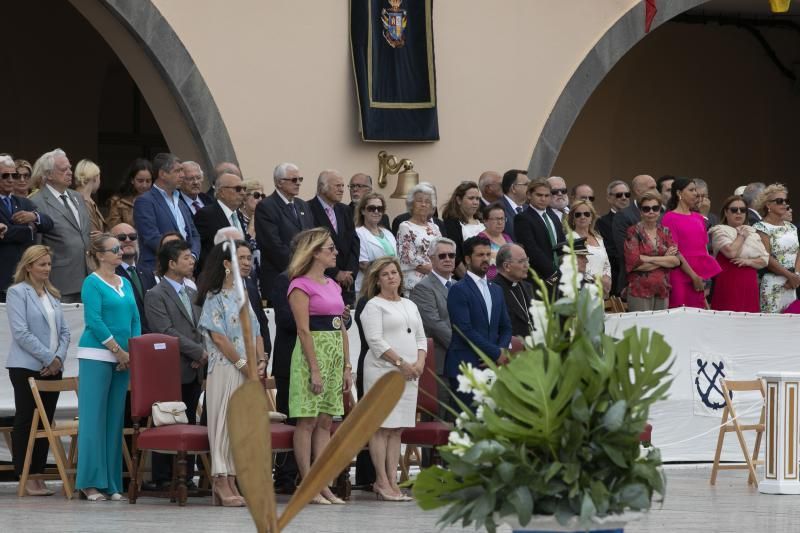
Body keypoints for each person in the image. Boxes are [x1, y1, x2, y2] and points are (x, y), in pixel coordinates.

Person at [196, 241, 265, 507]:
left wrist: (261, 360)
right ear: (227, 265)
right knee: (224, 424)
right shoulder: (215, 297)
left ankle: (234, 478)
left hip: (247, 370)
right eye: (242, 258)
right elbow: (220, 338)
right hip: (226, 369)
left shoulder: (244, 293)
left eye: (249, 258)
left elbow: (257, 330)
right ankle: (220, 479)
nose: (248, 263)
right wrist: (244, 367)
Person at [287, 228, 351, 505]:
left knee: (326, 420)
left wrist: (347, 365)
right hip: (312, 354)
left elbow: (342, 328)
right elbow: (303, 329)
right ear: (314, 252)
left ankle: (323, 483)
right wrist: (314, 368)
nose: (335, 252)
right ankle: (308, 484)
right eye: (330, 248)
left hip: (334, 353)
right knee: (308, 420)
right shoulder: (300, 285)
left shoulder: (333, 284)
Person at [76, 233, 141, 501]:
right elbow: (94, 320)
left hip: (124, 358)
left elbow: (135, 318)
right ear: (100, 255)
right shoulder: (91, 283)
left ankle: (112, 482)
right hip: (97, 355)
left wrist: (132, 352)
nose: (120, 251)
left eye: (120, 248)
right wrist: (117, 350)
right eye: (114, 249)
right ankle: (89, 482)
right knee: (93, 419)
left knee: (114, 420)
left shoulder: (125, 282)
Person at [6, 245, 70, 496]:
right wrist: (47, 358)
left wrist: (58, 358)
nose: (47, 269)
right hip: (27, 366)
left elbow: (64, 332)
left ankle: (39, 473)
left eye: (49, 264)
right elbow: (21, 332)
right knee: (27, 419)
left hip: (52, 367)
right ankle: (25, 473)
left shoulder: (53, 294)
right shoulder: (17, 292)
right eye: (42, 264)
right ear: (29, 266)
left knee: (45, 422)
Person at [361, 257, 426, 502]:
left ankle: (393, 480)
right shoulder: (374, 306)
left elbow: (420, 337)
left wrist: (419, 363)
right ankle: (381, 480)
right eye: (386, 274)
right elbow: (375, 341)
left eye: (394, 272)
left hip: (410, 374)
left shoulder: (410, 304)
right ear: (377, 280)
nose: (392, 277)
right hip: (384, 371)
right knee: (381, 427)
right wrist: (401, 363)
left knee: (396, 428)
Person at [143, 239, 205, 490]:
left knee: (189, 418)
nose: (192, 261)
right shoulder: (155, 295)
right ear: (171, 263)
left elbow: (200, 327)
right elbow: (165, 331)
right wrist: (197, 351)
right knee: (168, 419)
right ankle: (163, 476)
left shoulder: (192, 292)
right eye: (186, 258)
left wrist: (199, 354)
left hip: (194, 367)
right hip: (170, 369)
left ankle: (187, 475)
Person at [445, 236, 512, 410]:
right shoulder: (458, 290)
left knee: (492, 422)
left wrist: (501, 350)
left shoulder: (496, 289)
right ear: (467, 259)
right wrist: (495, 353)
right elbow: (464, 329)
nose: (485, 259)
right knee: (470, 424)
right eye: (480, 255)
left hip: (492, 366)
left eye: (488, 254)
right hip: (466, 366)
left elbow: (506, 326)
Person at [30, 149, 91, 303]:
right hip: (59, 282)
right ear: (49, 174)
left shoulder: (77, 196)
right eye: (64, 169)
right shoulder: (36, 202)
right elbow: (36, 247)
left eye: (70, 168)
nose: (70, 172)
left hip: (88, 278)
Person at [255, 162, 315, 302]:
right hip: (280, 279)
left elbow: (312, 238)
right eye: (294, 180)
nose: (298, 183)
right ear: (279, 182)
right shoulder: (266, 207)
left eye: (300, 179)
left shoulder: (303, 205)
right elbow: (273, 246)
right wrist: (301, 266)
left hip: (306, 278)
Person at [133, 153, 201, 271]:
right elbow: (151, 237)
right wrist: (181, 257)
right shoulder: (145, 201)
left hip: (185, 269)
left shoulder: (180, 202)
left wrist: (192, 256)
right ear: (162, 174)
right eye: (178, 171)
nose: (182, 175)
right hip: (159, 269)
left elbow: (194, 234)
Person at [661, 178, 721, 308]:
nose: (696, 193)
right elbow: (674, 250)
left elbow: (704, 249)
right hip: (680, 274)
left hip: (700, 275)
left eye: (696, 190)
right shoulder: (669, 218)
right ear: (679, 193)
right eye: (691, 190)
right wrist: (693, 276)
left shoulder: (698, 217)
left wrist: (704, 279)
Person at [0, 155, 53, 302]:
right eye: (5, 175)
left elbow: (49, 224)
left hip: (26, 278)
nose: (11, 179)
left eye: (14, 175)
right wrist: (29, 230)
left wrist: (34, 217)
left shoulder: (23, 202)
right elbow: (7, 234)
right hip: (3, 278)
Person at [409, 237, 456, 392]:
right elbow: (435, 325)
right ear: (431, 258)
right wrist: (464, 349)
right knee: (443, 414)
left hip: (464, 362)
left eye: (451, 255)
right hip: (441, 363)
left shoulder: (459, 286)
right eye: (442, 256)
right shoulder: (423, 288)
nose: (448, 259)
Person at [308, 170, 360, 306]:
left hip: (347, 284)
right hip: (322, 281)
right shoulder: (308, 209)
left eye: (343, 186)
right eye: (337, 186)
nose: (342, 190)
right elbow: (312, 247)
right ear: (322, 187)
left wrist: (350, 274)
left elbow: (354, 243)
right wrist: (335, 273)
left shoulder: (345, 210)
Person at [708, 196, 768, 312]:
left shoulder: (753, 233)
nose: (739, 212)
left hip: (749, 283)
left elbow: (765, 259)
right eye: (734, 210)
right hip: (729, 283)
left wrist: (748, 261)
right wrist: (742, 236)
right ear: (726, 212)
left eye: (743, 210)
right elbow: (731, 252)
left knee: (749, 323)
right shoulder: (719, 230)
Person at [623, 192, 680, 311]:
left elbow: (675, 261)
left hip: (662, 289)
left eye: (655, 208)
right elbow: (634, 263)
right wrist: (664, 258)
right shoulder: (633, 231)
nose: (651, 211)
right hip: (639, 290)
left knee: (660, 328)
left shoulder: (665, 231)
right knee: (642, 328)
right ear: (640, 211)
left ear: (660, 210)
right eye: (646, 208)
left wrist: (647, 258)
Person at [753, 184, 800, 313]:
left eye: (786, 201)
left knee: (791, 322)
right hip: (773, 282)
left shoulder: (791, 227)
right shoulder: (761, 227)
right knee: (771, 325)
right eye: (779, 201)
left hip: (792, 284)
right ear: (768, 205)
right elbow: (766, 257)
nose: (784, 204)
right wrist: (789, 276)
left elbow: (798, 253)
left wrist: (796, 276)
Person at [612, 174, 658, 294]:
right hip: (634, 285)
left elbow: (673, 254)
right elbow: (627, 255)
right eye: (652, 187)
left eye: (656, 187)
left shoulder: (660, 215)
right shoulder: (623, 216)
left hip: (661, 284)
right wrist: (663, 261)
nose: (656, 191)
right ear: (638, 190)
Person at [514, 178, 565, 286]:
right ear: (529, 195)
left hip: (559, 277)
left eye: (547, 196)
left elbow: (562, 245)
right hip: (538, 277)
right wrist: (554, 272)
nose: (543, 199)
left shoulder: (554, 217)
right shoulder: (523, 218)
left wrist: (563, 270)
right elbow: (531, 250)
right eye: (539, 195)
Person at [194, 171, 247, 270]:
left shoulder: (238, 214)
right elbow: (201, 250)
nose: (243, 193)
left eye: (244, 189)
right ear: (222, 192)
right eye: (238, 189)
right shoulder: (206, 215)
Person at [397, 183, 442, 296]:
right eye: (419, 201)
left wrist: (440, 268)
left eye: (427, 201)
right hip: (415, 283)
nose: (423, 204)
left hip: (437, 280)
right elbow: (407, 256)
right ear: (411, 204)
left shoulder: (435, 227)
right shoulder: (405, 226)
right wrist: (433, 269)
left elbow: (442, 250)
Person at [565, 200, 611, 297]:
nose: (582, 217)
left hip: (600, 291)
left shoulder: (598, 238)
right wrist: (598, 280)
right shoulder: (571, 238)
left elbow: (606, 263)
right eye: (578, 214)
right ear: (573, 219)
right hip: (582, 289)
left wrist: (607, 278)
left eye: (586, 214)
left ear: (591, 218)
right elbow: (579, 266)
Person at [355, 192, 397, 294]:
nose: (376, 211)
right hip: (370, 288)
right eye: (371, 208)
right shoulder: (358, 233)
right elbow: (363, 264)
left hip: (390, 287)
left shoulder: (388, 233)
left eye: (380, 208)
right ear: (363, 211)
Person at [442, 181, 486, 278]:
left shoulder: (483, 221)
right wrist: (469, 281)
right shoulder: (451, 223)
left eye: (477, 199)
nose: (475, 202)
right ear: (459, 200)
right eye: (471, 198)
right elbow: (455, 257)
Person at [493, 243, 535, 338]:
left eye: (527, 260)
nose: (527, 265)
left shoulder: (528, 287)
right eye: (521, 261)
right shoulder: (492, 291)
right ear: (507, 266)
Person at [596, 180, 630, 296]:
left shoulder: (638, 220)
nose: (624, 198)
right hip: (616, 278)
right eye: (619, 195)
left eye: (627, 194)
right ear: (609, 198)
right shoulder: (601, 222)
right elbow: (609, 251)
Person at [106, 158, 153, 228]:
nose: (144, 185)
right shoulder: (118, 202)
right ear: (132, 180)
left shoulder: (158, 200)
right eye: (140, 181)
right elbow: (114, 229)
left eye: (148, 181)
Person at [477, 202, 513, 280]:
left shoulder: (507, 237)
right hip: (492, 281)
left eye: (502, 219)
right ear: (485, 221)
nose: (500, 222)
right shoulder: (480, 239)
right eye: (496, 219)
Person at [73, 159, 106, 235]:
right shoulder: (83, 202)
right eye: (99, 177)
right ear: (95, 177)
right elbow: (93, 235)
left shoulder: (81, 199)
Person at [499, 169, 529, 240]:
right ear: (513, 188)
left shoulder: (529, 209)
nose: (531, 188)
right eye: (526, 184)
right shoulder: (498, 208)